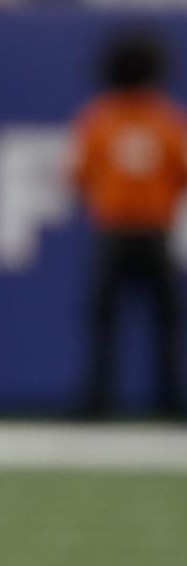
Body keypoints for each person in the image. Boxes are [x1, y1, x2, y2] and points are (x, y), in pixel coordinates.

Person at [69, 25, 187, 418]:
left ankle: (97, 402)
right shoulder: (167, 119)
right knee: (165, 321)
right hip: (155, 231)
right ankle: (169, 401)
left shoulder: (99, 118)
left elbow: (79, 176)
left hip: (114, 232)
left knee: (104, 321)